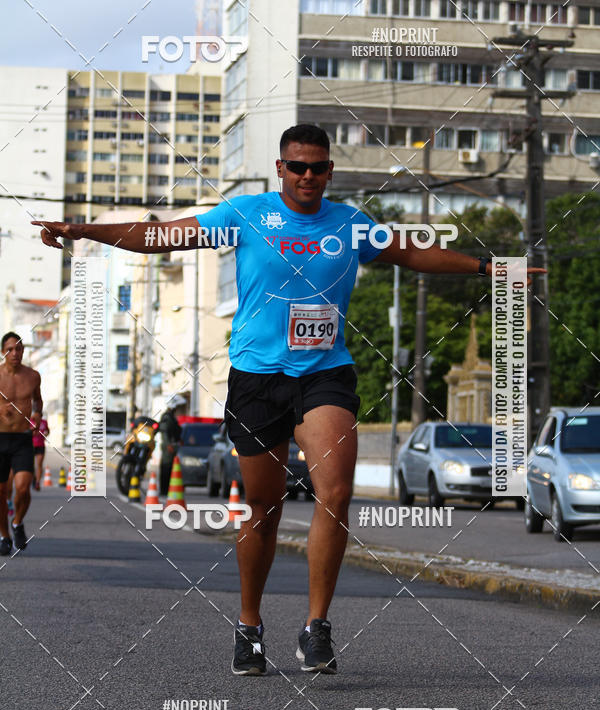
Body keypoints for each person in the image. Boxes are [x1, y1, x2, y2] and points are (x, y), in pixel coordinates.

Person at [35, 123, 543, 675]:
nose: (308, 176)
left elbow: (410, 253)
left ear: (330, 172)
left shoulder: (350, 223)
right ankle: (249, 625)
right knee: (264, 509)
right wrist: (82, 230)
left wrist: (489, 268)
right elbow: (162, 236)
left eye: (318, 167)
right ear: (281, 168)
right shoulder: (246, 214)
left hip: (325, 373)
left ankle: (316, 626)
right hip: (257, 377)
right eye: (297, 166)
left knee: (336, 492)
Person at [0, 332, 43, 554]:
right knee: (0, 491)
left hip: (22, 439)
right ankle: (4, 536)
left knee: (23, 488)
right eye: (9, 349)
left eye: (18, 349)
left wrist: (37, 415)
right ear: (2, 352)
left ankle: (17, 523)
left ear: (23, 351)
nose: (14, 353)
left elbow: (37, 401)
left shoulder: (33, 376)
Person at [158, 395, 185, 496]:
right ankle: (164, 490)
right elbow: (165, 432)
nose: (178, 409)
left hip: (172, 446)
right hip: (168, 447)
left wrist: (179, 439)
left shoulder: (172, 417)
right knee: (166, 467)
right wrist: (168, 444)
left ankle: (168, 489)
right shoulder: (167, 417)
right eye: (177, 406)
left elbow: (175, 431)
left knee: (171, 469)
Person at [32, 413, 50, 491]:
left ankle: (37, 482)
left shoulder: (44, 422)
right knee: (30, 465)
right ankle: (33, 478)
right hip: (31, 445)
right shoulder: (29, 421)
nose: (37, 417)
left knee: (39, 464)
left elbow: (47, 430)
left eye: (39, 415)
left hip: (40, 445)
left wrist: (46, 433)